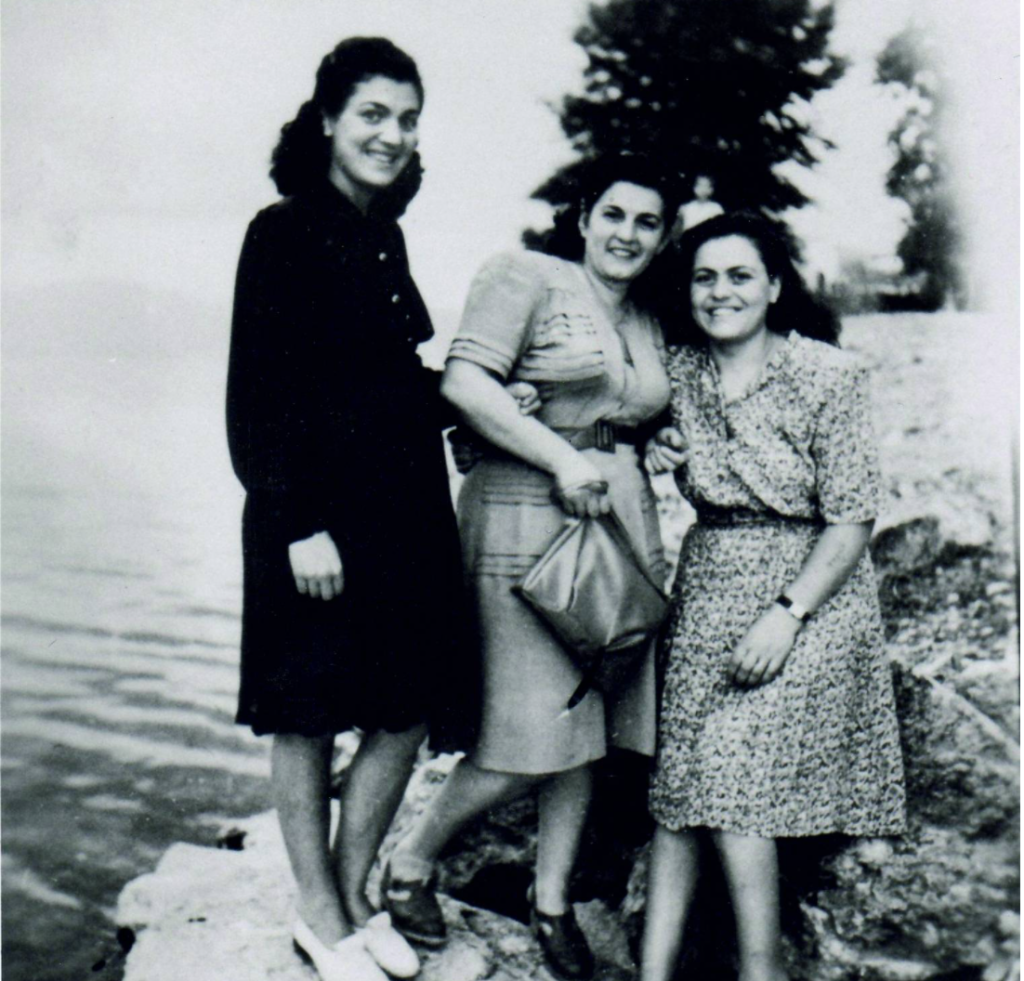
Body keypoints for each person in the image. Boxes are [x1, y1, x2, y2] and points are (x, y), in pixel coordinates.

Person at [225, 37, 536, 981]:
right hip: (315, 519)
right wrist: (294, 520)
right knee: (310, 714)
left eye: (407, 119)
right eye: (373, 114)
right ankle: (320, 917)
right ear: (325, 117)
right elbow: (257, 396)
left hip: (402, 513)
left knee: (402, 707)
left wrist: (478, 399)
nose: (393, 134)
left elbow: (388, 379)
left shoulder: (380, 236)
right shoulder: (281, 231)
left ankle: (353, 893)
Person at [382, 155, 683, 981]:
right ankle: (411, 862)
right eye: (613, 214)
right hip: (524, 514)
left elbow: (630, 411)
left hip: (621, 527)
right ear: (584, 217)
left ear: (664, 238)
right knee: (526, 730)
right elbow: (465, 383)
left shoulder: (650, 315)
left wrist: (656, 441)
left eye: (647, 222)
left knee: (590, 732)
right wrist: (559, 456)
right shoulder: (525, 275)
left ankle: (551, 907)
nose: (627, 234)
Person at [639, 213, 907, 981]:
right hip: (710, 580)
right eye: (704, 277)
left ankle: (763, 971)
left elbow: (853, 518)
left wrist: (786, 616)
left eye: (739, 275)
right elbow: (603, 403)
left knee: (726, 767)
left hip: (813, 593)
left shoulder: (829, 375)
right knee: (678, 782)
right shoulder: (679, 371)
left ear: (776, 286)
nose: (720, 291)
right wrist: (648, 441)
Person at [671, 173, 725, 240]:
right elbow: (677, 231)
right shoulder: (685, 208)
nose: (703, 190)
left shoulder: (716, 208)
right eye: (699, 185)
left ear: (712, 190)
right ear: (694, 188)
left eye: (706, 186)